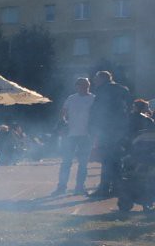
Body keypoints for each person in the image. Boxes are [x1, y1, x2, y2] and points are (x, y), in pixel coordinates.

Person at [88, 70, 132, 199]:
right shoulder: (122, 89)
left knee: (107, 160)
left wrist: (93, 128)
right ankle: (117, 188)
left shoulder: (103, 90)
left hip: (106, 130)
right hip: (120, 130)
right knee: (116, 160)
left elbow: (98, 111)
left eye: (96, 78)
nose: (94, 81)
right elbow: (129, 107)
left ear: (102, 78)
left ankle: (104, 189)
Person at [53, 77, 94, 196]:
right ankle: (61, 187)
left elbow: (96, 115)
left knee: (83, 163)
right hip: (70, 135)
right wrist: (63, 123)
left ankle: (80, 187)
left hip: (86, 135)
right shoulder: (71, 98)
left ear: (88, 86)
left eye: (86, 85)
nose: (84, 87)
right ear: (77, 86)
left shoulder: (93, 98)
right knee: (66, 162)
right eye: (81, 85)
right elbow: (63, 112)